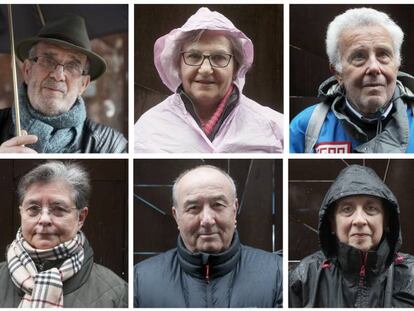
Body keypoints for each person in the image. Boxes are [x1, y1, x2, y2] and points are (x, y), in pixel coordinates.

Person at [134, 7, 283, 153]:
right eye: (193, 56)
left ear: (236, 68)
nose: (205, 69)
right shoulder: (148, 128)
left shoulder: (274, 127)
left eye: (219, 58)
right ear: (177, 64)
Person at [134, 165, 283, 307]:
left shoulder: (277, 274)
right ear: (176, 215)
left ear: (234, 209)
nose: (207, 220)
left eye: (217, 205)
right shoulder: (140, 281)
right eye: (193, 208)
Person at [0, 161, 128, 307]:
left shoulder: (116, 294)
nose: (44, 219)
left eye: (58, 209)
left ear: (80, 217)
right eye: (34, 209)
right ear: (21, 212)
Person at [290, 8, 414, 153]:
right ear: (338, 73)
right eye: (359, 57)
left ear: (396, 65)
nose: (374, 67)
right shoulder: (305, 126)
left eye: (383, 54)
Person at [289, 164, 414, 307]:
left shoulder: (410, 274)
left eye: (371, 208)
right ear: (332, 223)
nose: (359, 220)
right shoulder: (305, 277)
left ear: (386, 220)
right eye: (347, 209)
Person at [0, 15, 127, 153]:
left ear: (83, 85)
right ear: (27, 70)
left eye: (72, 66)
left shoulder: (110, 146)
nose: (58, 75)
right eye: (48, 60)